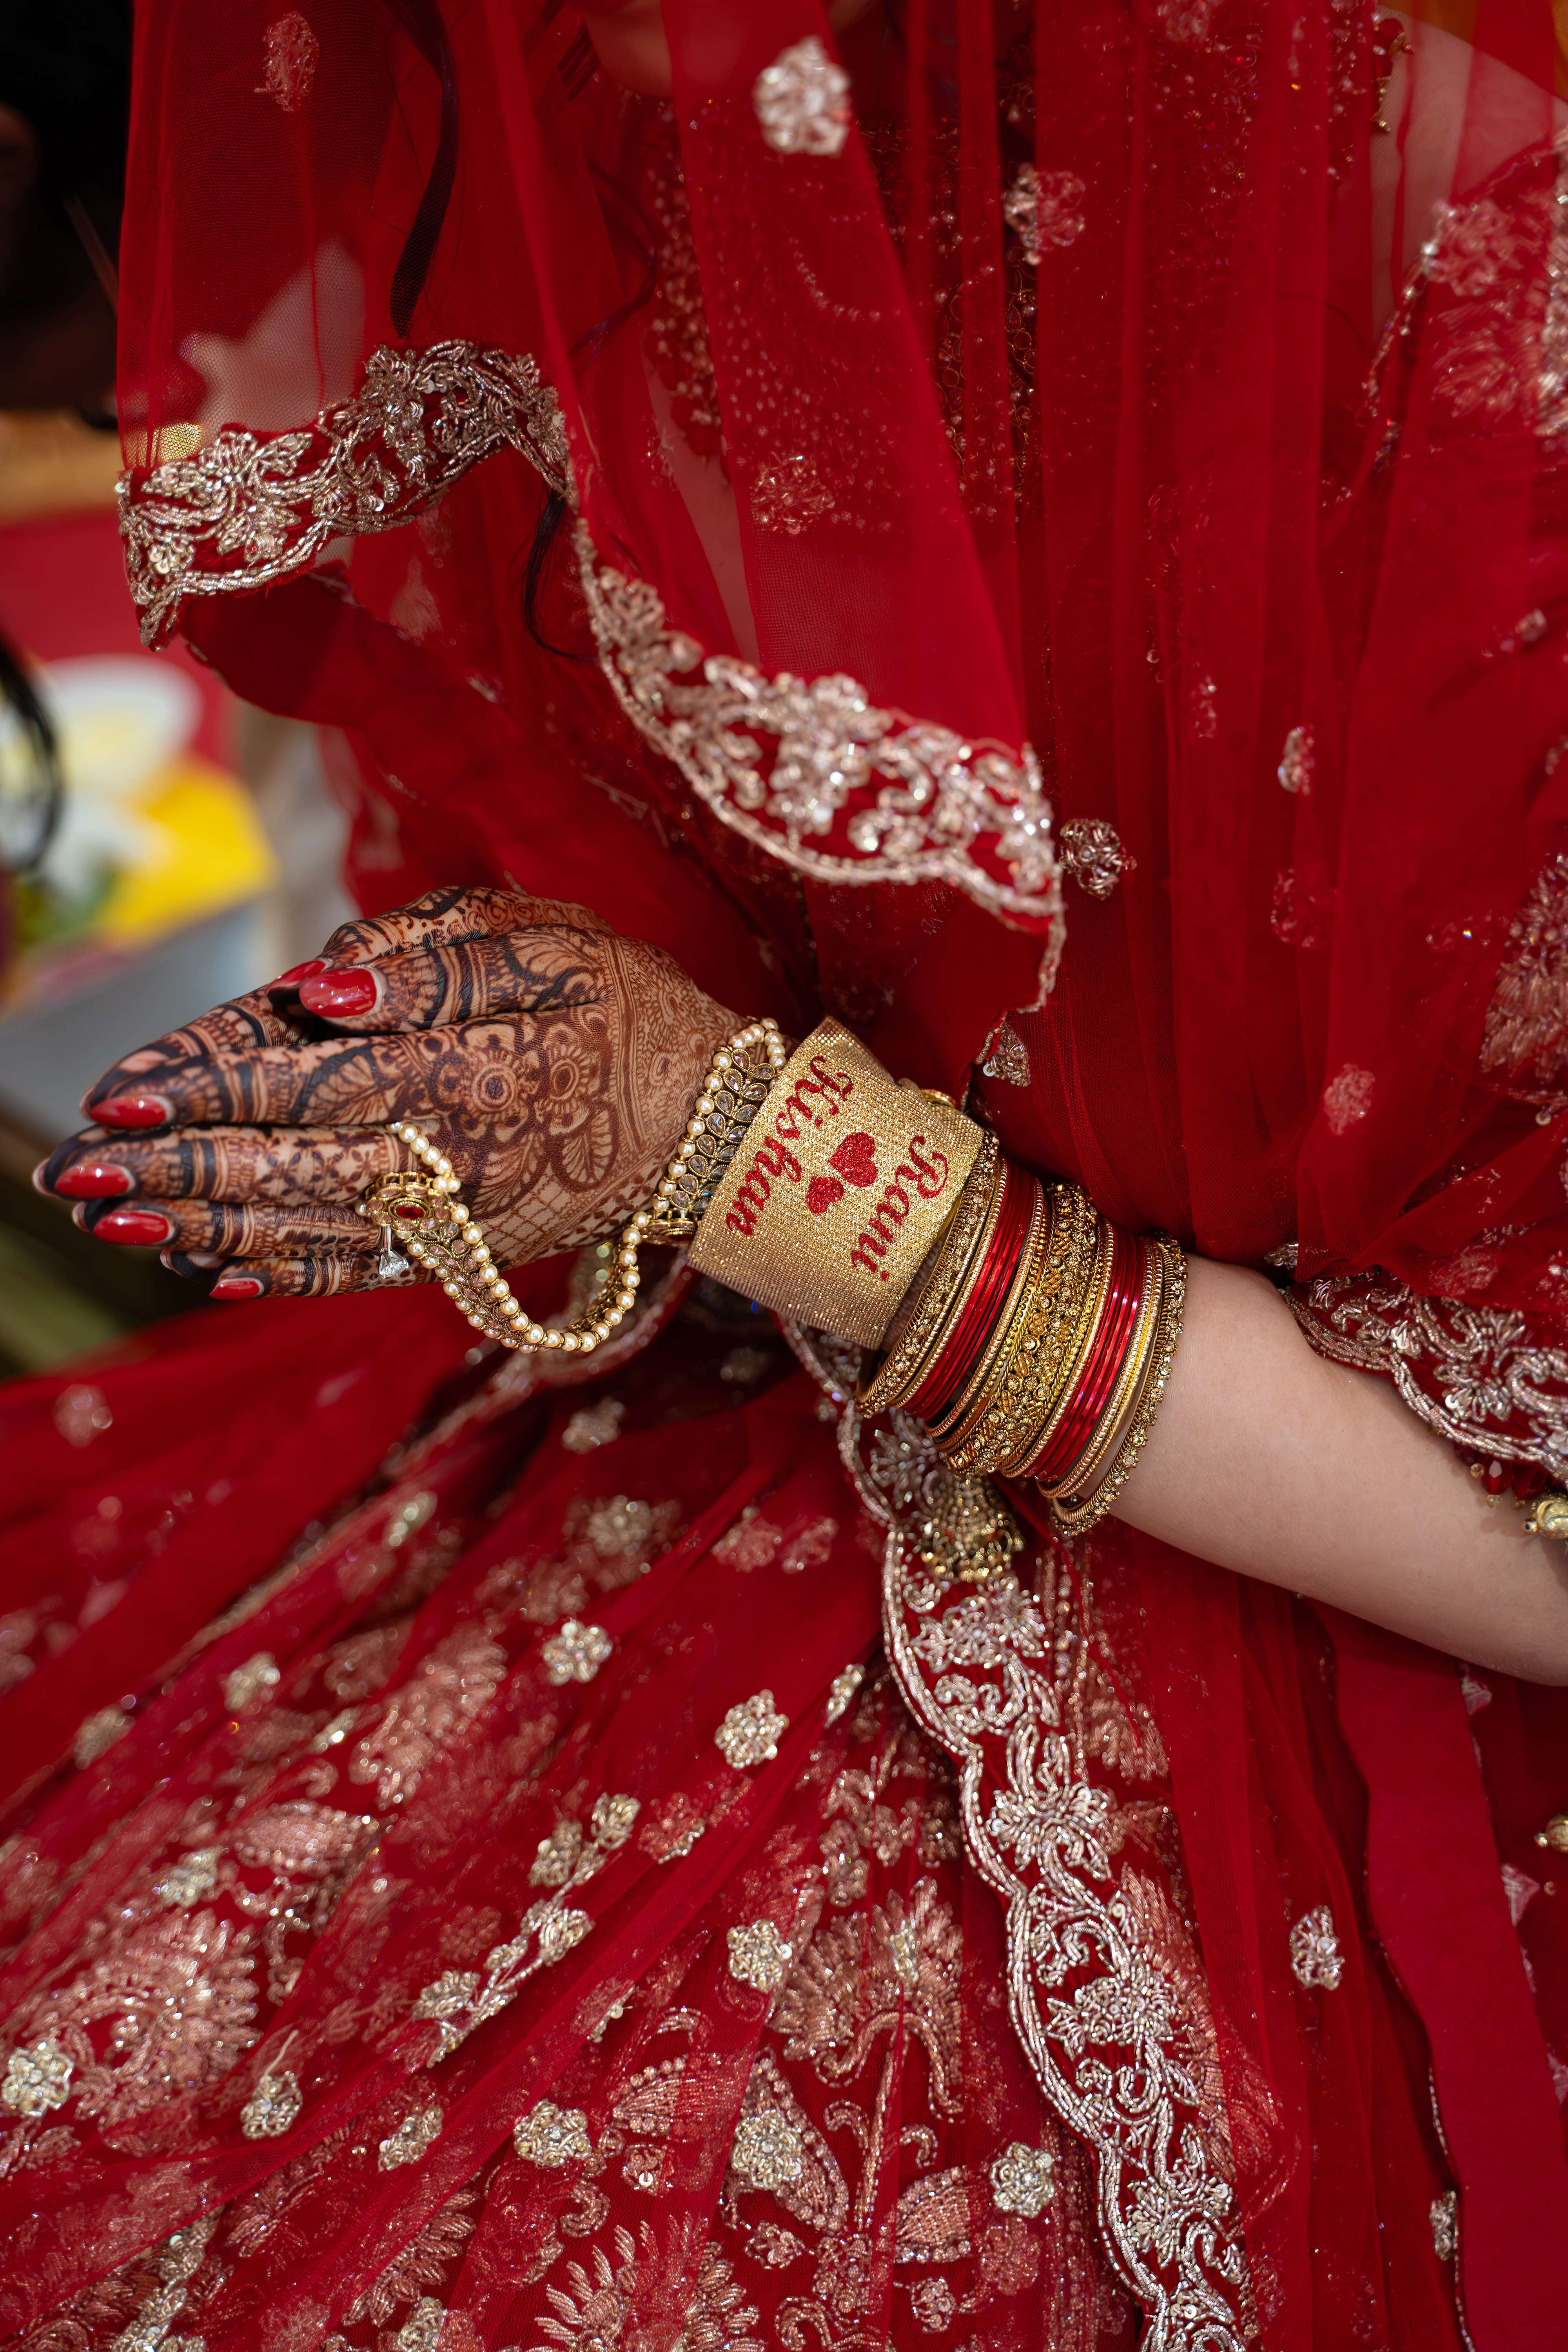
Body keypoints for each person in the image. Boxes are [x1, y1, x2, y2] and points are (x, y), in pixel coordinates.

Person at [2, 2, 1567, 2345]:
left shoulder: (1480, 323)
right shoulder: (636, 165)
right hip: (716, 1438)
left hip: (1289, 1672)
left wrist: (749, 1145)